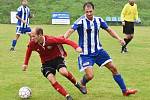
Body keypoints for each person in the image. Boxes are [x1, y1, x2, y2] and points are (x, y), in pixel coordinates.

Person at [64, 2, 137, 96]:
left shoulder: (98, 20)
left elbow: (109, 30)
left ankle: (125, 91)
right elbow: (70, 31)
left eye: (90, 11)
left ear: (93, 10)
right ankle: (82, 83)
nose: (89, 13)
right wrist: (62, 40)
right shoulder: (80, 21)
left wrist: (119, 39)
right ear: (84, 12)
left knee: (114, 68)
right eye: (87, 12)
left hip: (99, 51)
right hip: (86, 54)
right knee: (90, 76)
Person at [22, 27, 86, 100]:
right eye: (31, 36)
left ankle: (77, 85)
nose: (32, 38)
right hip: (46, 63)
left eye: (33, 36)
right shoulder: (33, 43)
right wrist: (25, 64)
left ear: (40, 35)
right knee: (51, 78)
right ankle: (68, 96)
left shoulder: (50, 40)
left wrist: (76, 47)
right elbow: (28, 51)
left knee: (64, 72)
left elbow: (65, 41)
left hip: (57, 58)